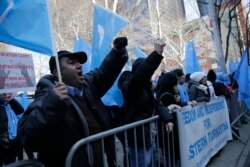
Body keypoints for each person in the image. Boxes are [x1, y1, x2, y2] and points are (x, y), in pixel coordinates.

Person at [17, 37, 128, 167]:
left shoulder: (88, 85)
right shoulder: (47, 95)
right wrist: (52, 103)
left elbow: (104, 73)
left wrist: (117, 52)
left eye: (79, 62)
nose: (79, 65)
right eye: (72, 62)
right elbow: (29, 137)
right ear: (57, 73)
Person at [118, 39, 175, 167]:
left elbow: (157, 104)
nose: (150, 74)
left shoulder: (146, 89)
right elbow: (140, 76)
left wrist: (168, 119)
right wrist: (156, 55)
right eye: (148, 72)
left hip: (149, 135)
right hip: (139, 139)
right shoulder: (130, 86)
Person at [156, 71, 182, 166]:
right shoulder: (166, 95)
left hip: (170, 129)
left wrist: (177, 97)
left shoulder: (168, 93)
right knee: (171, 154)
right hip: (168, 130)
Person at [0, 93, 24, 165]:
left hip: (11, 140)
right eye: (4, 93)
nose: (6, 95)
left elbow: (20, 110)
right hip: (1, 141)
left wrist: (11, 100)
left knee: (11, 163)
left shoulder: (9, 104)